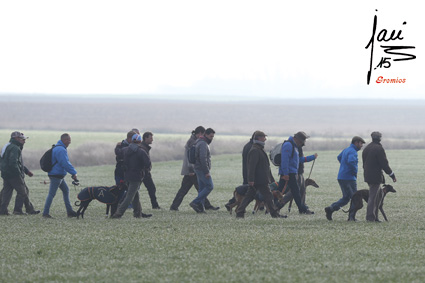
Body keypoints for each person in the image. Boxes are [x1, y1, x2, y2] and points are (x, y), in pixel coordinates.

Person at [235, 131, 285, 218]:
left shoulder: (259, 149)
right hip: (259, 179)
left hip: (260, 179)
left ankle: (240, 212)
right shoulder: (255, 150)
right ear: (258, 138)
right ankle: (275, 214)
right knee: (267, 197)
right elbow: (251, 167)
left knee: (251, 197)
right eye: (263, 137)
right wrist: (250, 180)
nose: (265, 139)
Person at [170, 126, 218, 211]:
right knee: (206, 187)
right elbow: (194, 157)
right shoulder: (195, 142)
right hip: (193, 170)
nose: (212, 139)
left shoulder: (195, 141)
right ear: (201, 133)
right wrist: (191, 170)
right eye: (210, 136)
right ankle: (198, 203)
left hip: (194, 169)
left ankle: (202, 206)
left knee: (198, 188)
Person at [325, 136, 365, 220]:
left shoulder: (346, 149)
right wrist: (354, 172)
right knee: (355, 198)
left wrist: (344, 166)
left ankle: (330, 209)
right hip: (349, 178)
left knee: (346, 198)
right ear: (356, 142)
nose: (362, 145)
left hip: (341, 176)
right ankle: (351, 217)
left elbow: (339, 157)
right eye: (361, 143)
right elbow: (351, 162)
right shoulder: (353, 151)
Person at [112, 134, 152, 218]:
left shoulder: (125, 150)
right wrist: (145, 170)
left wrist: (117, 146)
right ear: (140, 141)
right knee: (130, 196)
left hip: (126, 176)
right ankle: (118, 213)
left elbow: (118, 153)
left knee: (135, 194)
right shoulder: (141, 151)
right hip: (137, 176)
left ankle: (138, 213)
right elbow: (148, 163)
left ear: (132, 140)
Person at [0, 131, 39, 215]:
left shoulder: (8, 146)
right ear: (16, 139)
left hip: (6, 174)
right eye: (22, 139)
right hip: (14, 175)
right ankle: (18, 210)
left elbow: (17, 163)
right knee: (23, 192)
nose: (24, 141)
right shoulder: (15, 148)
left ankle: (2, 211)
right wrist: (18, 174)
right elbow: (13, 163)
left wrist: (26, 171)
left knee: (7, 193)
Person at [42, 133, 79, 218]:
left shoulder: (58, 148)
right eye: (69, 140)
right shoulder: (61, 150)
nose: (70, 142)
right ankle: (45, 213)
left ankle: (69, 211)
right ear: (65, 140)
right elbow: (65, 163)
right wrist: (74, 173)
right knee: (51, 194)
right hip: (56, 175)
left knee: (66, 190)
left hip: (58, 174)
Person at [362, 131, 396, 222]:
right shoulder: (379, 149)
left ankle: (375, 217)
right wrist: (392, 175)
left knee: (376, 197)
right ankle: (370, 218)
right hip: (375, 176)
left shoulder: (367, 148)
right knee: (373, 197)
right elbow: (384, 164)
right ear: (380, 138)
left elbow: (364, 163)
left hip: (368, 175)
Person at [278, 131, 314, 214]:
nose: (301, 143)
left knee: (291, 191)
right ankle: (273, 208)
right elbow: (285, 160)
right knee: (290, 192)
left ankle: (273, 208)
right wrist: (286, 173)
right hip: (289, 173)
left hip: (292, 172)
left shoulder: (294, 146)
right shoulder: (288, 145)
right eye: (301, 141)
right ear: (296, 139)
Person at [225, 132, 255, 211]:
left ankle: (233, 204)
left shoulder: (247, 145)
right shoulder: (252, 147)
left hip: (246, 172)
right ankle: (236, 205)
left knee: (244, 191)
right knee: (246, 192)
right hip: (250, 173)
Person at [189, 128, 216, 213]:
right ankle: (195, 202)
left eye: (213, 136)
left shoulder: (199, 142)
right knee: (209, 186)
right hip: (202, 169)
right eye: (211, 136)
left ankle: (201, 208)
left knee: (201, 188)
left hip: (198, 168)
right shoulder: (203, 144)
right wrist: (206, 171)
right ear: (206, 135)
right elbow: (203, 158)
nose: (212, 138)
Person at [139, 132, 161, 209]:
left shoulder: (144, 147)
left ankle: (155, 205)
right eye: (151, 138)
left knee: (134, 190)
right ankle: (155, 205)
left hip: (143, 172)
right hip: (144, 173)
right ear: (146, 138)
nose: (152, 140)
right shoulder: (143, 148)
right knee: (151, 188)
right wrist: (147, 168)